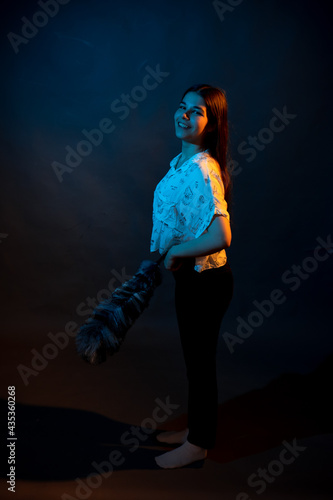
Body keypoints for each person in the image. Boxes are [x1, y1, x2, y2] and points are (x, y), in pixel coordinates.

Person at [150, 84, 234, 469]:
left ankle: (198, 444)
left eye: (196, 112)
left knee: (200, 363)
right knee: (193, 362)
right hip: (191, 281)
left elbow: (222, 236)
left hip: (207, 284)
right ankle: (195, 430)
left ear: (212, 125)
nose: (184, 115)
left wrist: (176, 252)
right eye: (182, 107)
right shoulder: (181, 163)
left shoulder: (204, 169)